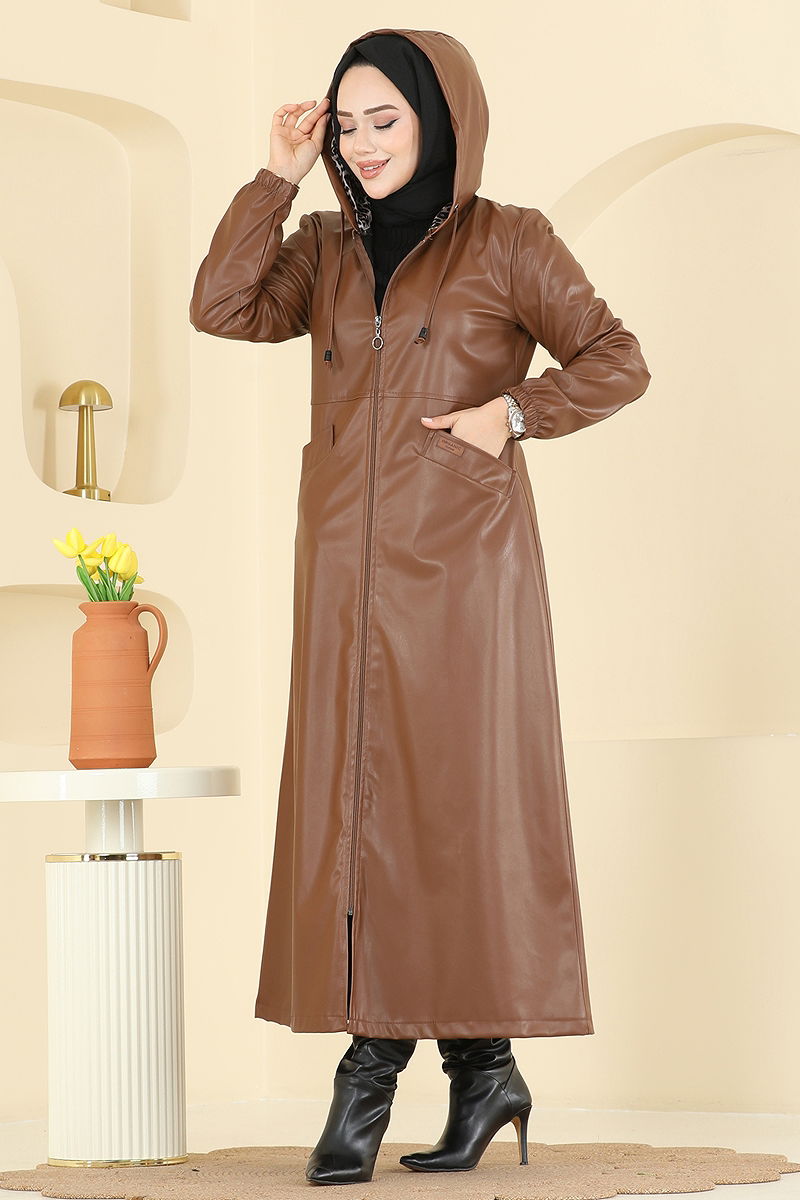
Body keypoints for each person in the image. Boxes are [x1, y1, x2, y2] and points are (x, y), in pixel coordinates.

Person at [190, 27, 651, 1188]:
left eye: (383, 119)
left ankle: (370, 1074)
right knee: (360, 813)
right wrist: (276, 174)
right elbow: (222, 307)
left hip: (463, 575)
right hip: (343, 574)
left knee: (444, 815)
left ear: (440, 117)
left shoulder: (510, 241)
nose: (361, 142)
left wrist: (513, 414)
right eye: (345, 123)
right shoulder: (322, 247)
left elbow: (615, 357)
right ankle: (483, 1073)